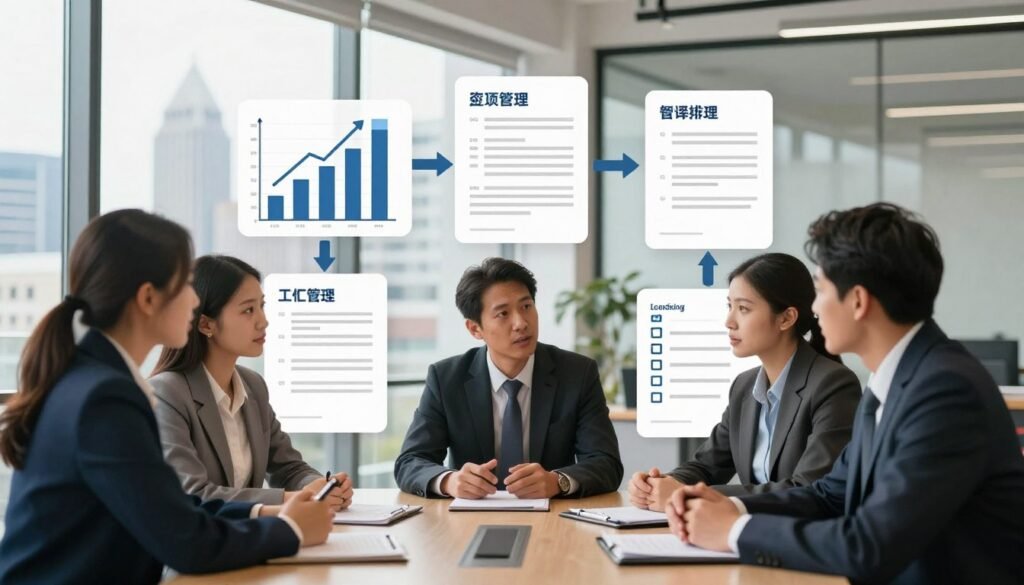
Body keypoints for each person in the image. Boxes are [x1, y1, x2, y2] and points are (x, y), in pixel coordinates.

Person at [668, 203, 1024, 585]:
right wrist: (730, 507)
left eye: (821, 290)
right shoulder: (891, 383)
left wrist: (734, 532)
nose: (814, 308)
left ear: (858, 301)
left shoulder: (945, 391)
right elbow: (829, 495)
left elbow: (869, 546)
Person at [0, 210, 333, 584]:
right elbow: (185, 543)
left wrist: (269, 515)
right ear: (148, 298)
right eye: (186, 284)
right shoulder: (105, 398)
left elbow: (169, 508)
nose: (194, 300)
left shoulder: (93, 378)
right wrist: (291, 531)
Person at [629, 253, 860, 511]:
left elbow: (808, 488)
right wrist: (659, 485)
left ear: (786, 318)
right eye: (730, 306)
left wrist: (689, 495)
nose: (729, 322)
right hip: (746, 529)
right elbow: (707, 466)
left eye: (743, 309)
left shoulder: (833, 385)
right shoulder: (744, 386)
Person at [394, 257, 623, 499]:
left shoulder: (577, 373)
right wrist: (449, 481)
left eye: (526, 306)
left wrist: (558, 481)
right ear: (475, 329)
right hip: (472, 515)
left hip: (552, 515)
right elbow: (410, 461)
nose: (521, 323)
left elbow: (606, 463)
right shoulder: (446, 379)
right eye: (503, 313)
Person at [150, 255, 353, 509]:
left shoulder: (253, 385)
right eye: (248, 310)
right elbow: (193, 494)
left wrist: (322, 487)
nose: (263, 321)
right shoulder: (166, 393)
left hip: (250, 531)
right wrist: (290, 499)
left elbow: (289, 468)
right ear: (205, 324)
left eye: (262, 306)